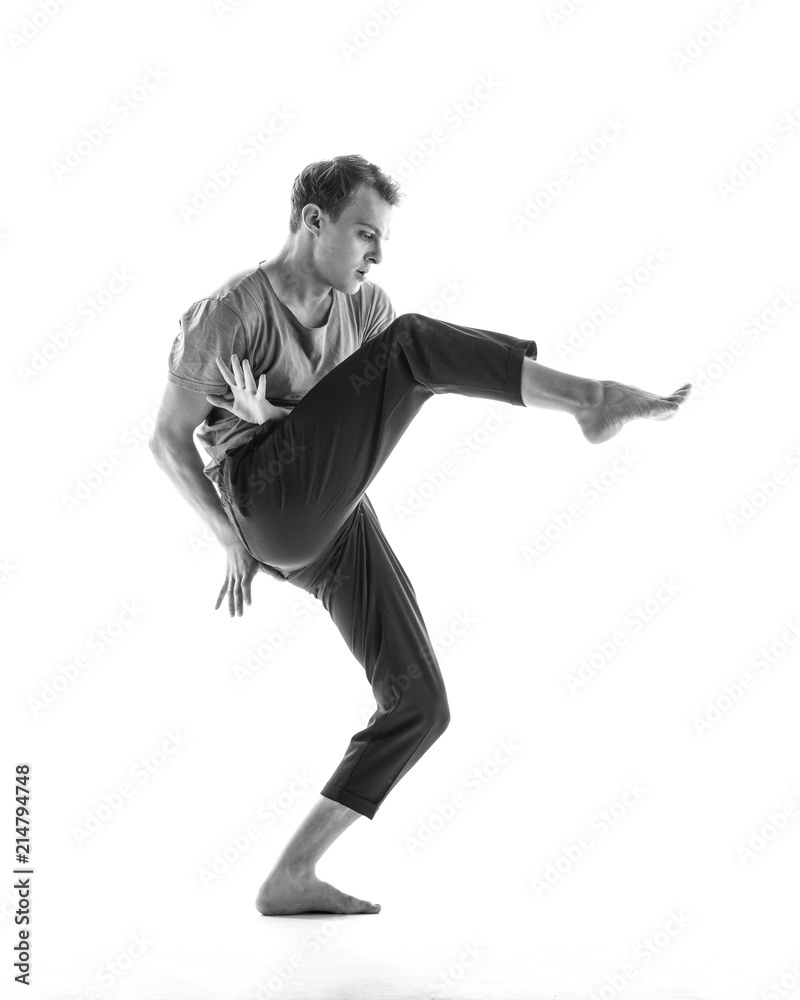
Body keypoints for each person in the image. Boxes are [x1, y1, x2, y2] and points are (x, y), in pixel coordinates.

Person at [149, 154, 691, 916]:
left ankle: (291, 874)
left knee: (420, 702)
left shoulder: (364, 308)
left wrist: (272, 413)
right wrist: (225, 536)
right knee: (413, 346)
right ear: (313, 222)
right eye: (364, 234)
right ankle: (590, 400)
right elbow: (167, 440)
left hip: (331, 516)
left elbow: (344, 415)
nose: (376, 255)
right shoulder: (230, 315)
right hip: (262, 501)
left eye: (382, 240)